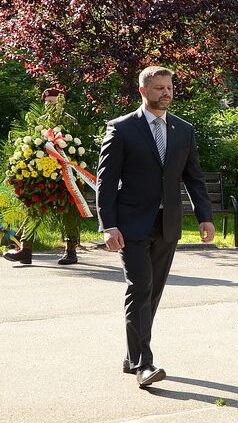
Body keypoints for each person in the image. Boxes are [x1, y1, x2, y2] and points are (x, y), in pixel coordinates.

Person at [96, 66, 215, 389]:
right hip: (131, 225)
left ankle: (131, 354)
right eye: (160, 87)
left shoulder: (183, 129)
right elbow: (106, 182)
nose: (166, 93)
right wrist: (109, 225)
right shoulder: (121, 128)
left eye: (169, 87)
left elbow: (193, 177)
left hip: (168, 224)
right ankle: (143, 364)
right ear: (143, 91)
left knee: (153, 292)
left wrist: (204, 216)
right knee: (140, 288)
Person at [2, 88, 82, 266]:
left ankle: (71, 251)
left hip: (65, 175)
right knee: (35, 208)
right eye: (48, 103)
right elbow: (30, 142)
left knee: (69, 212)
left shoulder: (71, 122)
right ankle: (26, 251)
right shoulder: (38, 122)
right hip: (41, 173)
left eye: (54, 102)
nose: (50, 106)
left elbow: (79, 148)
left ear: (61, 103)